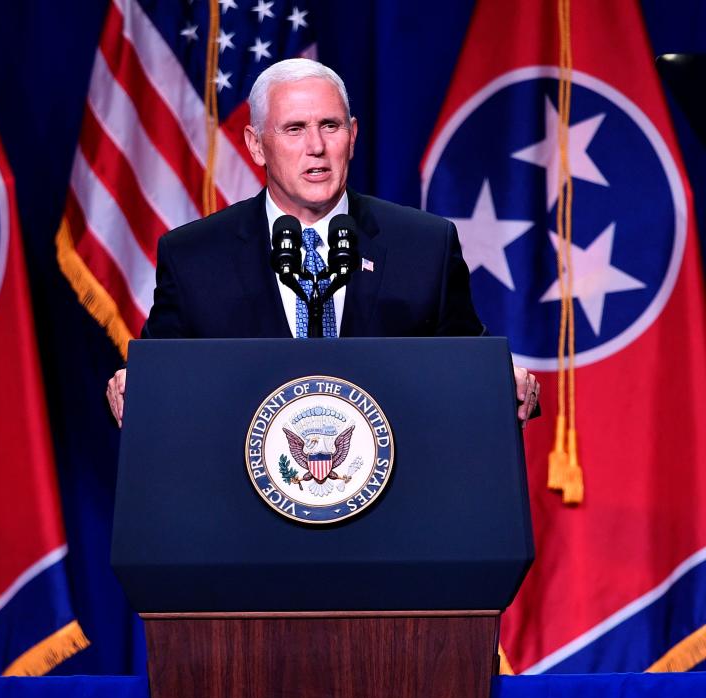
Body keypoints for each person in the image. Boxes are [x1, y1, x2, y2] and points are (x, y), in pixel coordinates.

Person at [106, 58, 539, 425]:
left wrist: (504, 384)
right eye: (294, 129)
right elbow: (159, 383)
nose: (316, 146)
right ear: (257, 146)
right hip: (244, 508)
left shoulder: (424, 246)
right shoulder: (194, 257)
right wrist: (135, 385)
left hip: (393, 505)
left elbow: (470, 367)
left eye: (329, 125)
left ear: (352, 135)